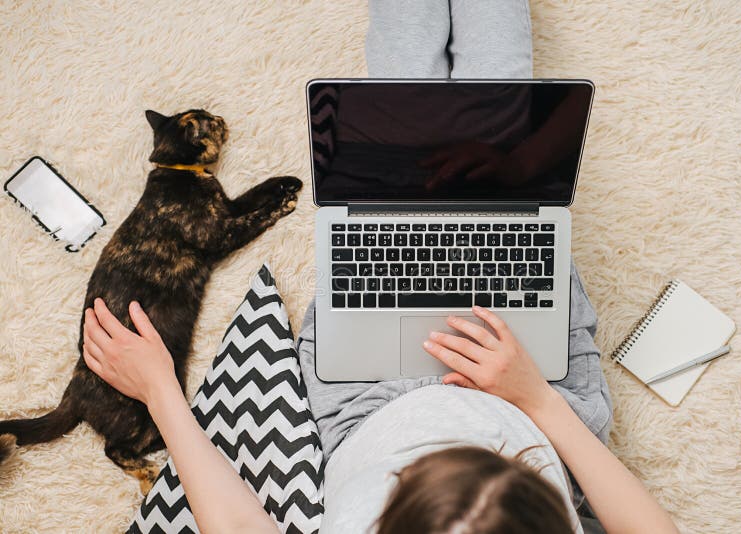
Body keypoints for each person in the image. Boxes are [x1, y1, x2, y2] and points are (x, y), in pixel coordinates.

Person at [83, 1, 679, 533]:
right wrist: (535, 401)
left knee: (397, 145)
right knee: (498, 125)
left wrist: (160, 390)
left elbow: (238, 525)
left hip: (365, 402)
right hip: (538, 395)